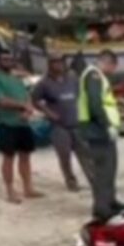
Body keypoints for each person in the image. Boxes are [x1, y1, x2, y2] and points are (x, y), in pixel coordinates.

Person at [0, 50, 42, 204]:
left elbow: (27, 95)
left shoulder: (16, 78)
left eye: (10, 58)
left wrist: (28, 110)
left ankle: (28, 188)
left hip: (23, 122)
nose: (8, 61)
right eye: (4, 58)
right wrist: (23, 106)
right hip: (6, 123)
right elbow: (1, 101)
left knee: (26, 156)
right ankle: (10, 190)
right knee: (9, 157)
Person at [77, 50, 123, 223]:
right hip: (96, 130)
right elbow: (95, 104)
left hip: (101, 131)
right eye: (113, 67)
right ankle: (102, 209)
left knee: (110, 168)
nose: (113, 71)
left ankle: (111, 202)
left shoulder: (98, 76)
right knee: (103, 170)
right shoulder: (93, 76)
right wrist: (107, 125)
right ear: (108, 63)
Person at [31, 54, 86, 191]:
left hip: (77, 123)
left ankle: (94, 180)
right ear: (50, 64)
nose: (58, 65)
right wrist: (48, 113)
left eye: (61, 62)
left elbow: (82, 95)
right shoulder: (44, 83)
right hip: (59, 126)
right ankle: (71, 181)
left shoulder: (73, 78)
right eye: (55, 62)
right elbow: (34, 99)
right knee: (65, 156)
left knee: (85, 154)